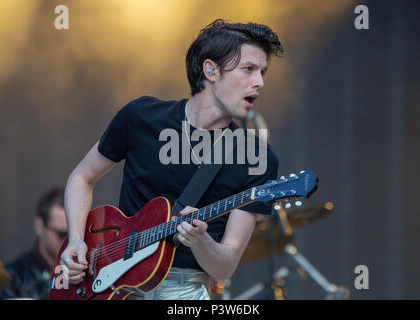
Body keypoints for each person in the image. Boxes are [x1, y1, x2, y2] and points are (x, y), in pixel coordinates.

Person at [60, 19, 283, 300]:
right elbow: (82, 177)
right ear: (211, 70)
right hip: (112, 282)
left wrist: (201, 241)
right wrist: (77, 240)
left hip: (184, 290)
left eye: (262, 72)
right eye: (248, 69)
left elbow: (225, 267)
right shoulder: (141, 117)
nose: (260, 82)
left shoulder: (257, 157)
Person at [0, 186, 67, 299]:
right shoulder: (14, 278)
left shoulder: (86, 274)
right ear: (39, 226)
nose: (70, 241)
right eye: (62, 234)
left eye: (74, 234)